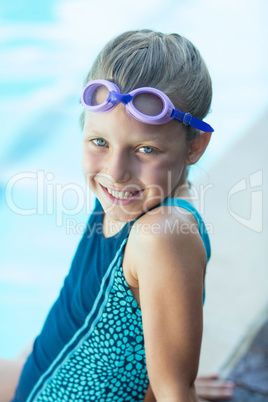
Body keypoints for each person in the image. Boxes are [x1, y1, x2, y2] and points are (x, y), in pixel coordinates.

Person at [2, 29, 234, 401]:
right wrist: (160, 367)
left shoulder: (161, 234)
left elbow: (175, 392)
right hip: (48, 373)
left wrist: (172, 382)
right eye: (99, 142)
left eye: (144, 149)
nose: (116, 171)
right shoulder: (127, 199)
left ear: (195, 145)